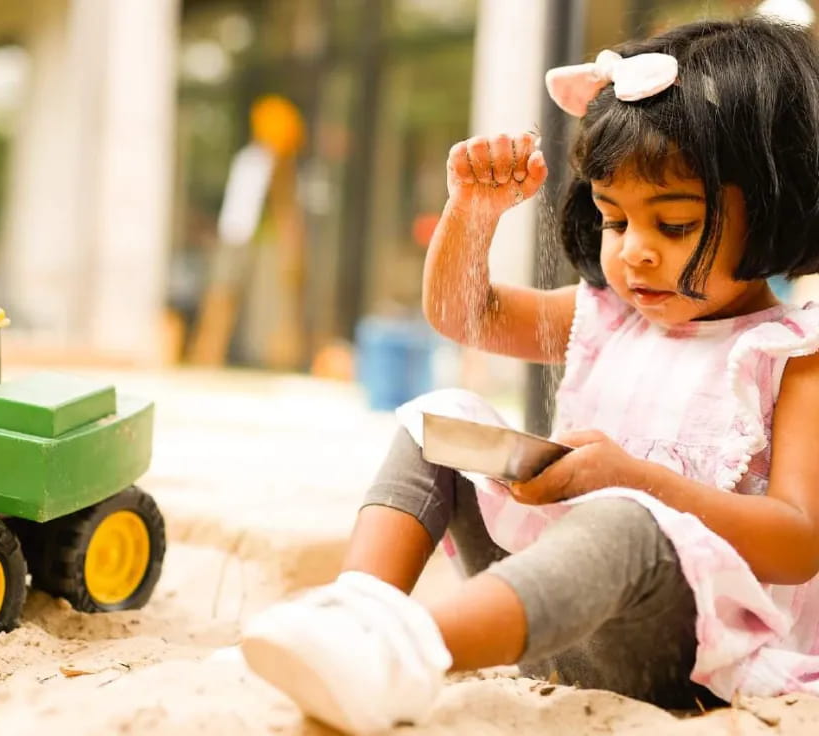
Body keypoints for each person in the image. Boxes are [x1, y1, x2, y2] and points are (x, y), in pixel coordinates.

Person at [239, 17, 819, 734]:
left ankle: (409, 652)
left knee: (629, 520)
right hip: (549, 619)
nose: (634, 253)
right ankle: (354, 619)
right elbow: (467, 316)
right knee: (438, 418)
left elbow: (799, 542)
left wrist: (635, 480)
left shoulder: (788, 352)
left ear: (772, 208)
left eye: (672, 226)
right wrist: (473, 216)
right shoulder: (611, 317)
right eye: (614, 221)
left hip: (687, 650)